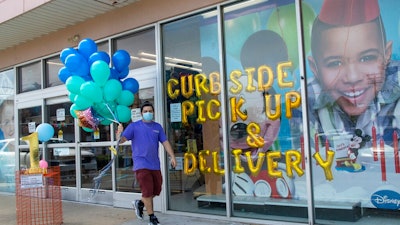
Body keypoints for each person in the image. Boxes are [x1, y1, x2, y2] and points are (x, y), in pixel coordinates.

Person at [306, 0, 400, 160]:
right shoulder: (305, 100)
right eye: (335, 63)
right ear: (315, 69)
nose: (353, 77)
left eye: (367, 58)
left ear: (387, 55)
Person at [117, 101, 177, 225]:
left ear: (153, 113)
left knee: (157, 190)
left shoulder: (157, 127)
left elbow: (165, 142)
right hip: (141, 164)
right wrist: (119, 132)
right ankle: (152, 218)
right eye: (145, 111)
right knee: (148, 191)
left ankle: (139, 203)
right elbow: (121, 141)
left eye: (150, 111)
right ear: (141, 113)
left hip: (154, 164)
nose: (148, 113)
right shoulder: (134, 126)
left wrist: (172, 156)